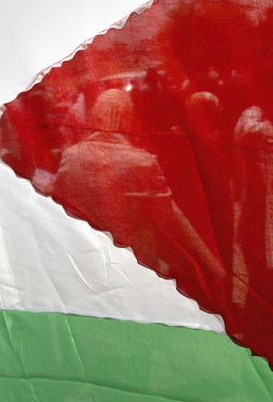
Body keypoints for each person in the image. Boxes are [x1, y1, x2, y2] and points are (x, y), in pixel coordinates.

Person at [51, 90, 229, 308]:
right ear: (128, 118)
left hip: (88, 262)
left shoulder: (72, 156)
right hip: (137, 267)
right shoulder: (142, 163)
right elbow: (172, 221)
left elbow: (58, 208)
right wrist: (213, 267)